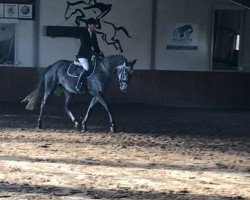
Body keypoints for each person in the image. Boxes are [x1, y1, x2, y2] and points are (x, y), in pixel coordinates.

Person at [75, 17, 103, 91]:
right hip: (82, 55)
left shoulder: (94, 35)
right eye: (94, 25)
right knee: (87, 68)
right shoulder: (83, 33)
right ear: (89, 25)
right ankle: (78, 84)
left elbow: (96, 46)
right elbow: (84, 46)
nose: (95, 27)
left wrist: (100, 53)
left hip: (90, 55)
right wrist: (93, 53)